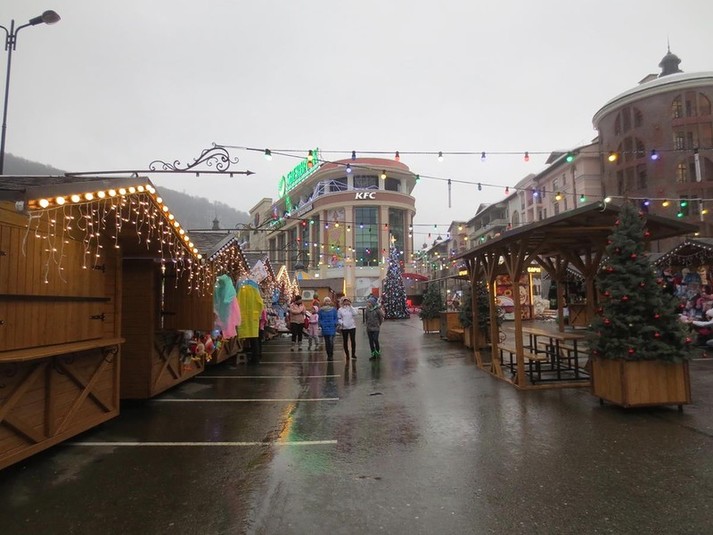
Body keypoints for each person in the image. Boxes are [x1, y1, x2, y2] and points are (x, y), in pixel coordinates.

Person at [365, 295, 385, 360]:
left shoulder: (377, 310)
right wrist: (367, 324)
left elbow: (381, 318)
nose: (368, 303)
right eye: (368, 302)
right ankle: (373, 354)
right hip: (369, 328)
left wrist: (379, 324)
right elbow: (366, 317)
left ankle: (378, 352)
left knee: (375, 339)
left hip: (376, 327)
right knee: (371, 341)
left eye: (369, 302)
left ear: (372, 303)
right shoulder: (367, 309)